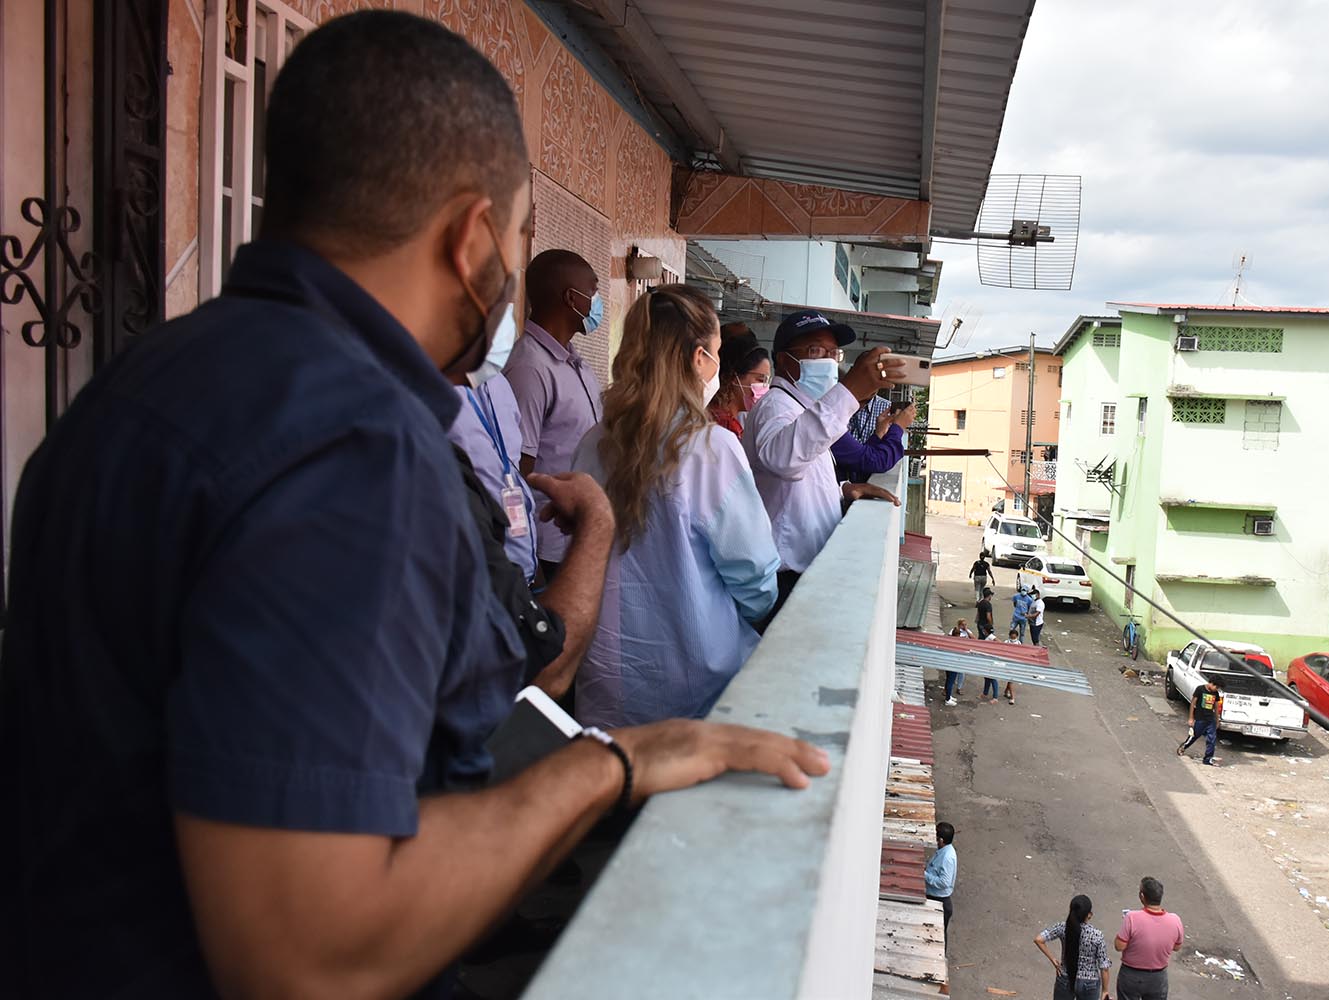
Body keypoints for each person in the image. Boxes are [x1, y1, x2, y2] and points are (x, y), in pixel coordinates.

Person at [0, 14, 831, 998]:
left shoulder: (141, 383)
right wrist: (612, 764)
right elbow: (311, 945)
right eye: (519, 236)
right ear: (473, 235)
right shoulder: (349, 444)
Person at [572, 285, 780, 727]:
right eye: (717, 351)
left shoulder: (595, 441)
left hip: (606, 677)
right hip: (696, 679)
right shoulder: (711, 449)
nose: (718, 366)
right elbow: (755, 577)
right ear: (697, 358)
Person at [742, 309, 898, 613]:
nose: (827, 360)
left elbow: (800, 474)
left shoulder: (804, 406)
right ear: (785, 360)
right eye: (815, 351)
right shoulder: (777, 406)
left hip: (801, 573)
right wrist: (850, 390)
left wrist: (841, 490)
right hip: (784, 579)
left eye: (833, 353)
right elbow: (783, 460)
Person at [505, 247, 605, 581]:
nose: (597, 301)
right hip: (547, 545)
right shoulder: (529, 367)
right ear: (570, 298)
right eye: (592, 291)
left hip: (577, 534)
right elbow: (517, 466)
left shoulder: (574, 364)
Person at [449, 368, 539, 584]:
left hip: (521, 572)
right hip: (474, 576)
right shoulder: (433, 386)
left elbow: (512, 465)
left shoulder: (500, 384)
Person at [1114, 877, 1184, 1000]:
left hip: (1131, 975)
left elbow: (1119, 946)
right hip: (1158, 977)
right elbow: (1177, 947)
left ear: (1142, 896)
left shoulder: (1131, 918)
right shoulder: (1175, 920)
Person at [1035, 894, 1113, 1000]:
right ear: (1089, 915)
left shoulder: (1063, 928)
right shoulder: (1097, 935)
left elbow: (1039, 939)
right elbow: (1104, 967)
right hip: (1089, 983)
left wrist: (1053, 960)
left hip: (1065, 977)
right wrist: (1105, 991)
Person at [705, 331, 771, 438]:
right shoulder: (724, 426)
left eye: (767, 381)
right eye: (760, 380)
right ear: (735, 378)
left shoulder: (729, 421)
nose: (765, 388)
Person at [832, 399, 913, 484]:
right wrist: (898, 427)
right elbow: (877, 461)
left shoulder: (830, 421)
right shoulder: (829, 424)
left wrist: (879, 434)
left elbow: (860, 459)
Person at [1177, 675, 1223, 766]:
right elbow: (1193, 703)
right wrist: (1191, 717)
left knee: (1212, 740)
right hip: (1200, 719)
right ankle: (1183, 747)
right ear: (1211, 683)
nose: (1216, 689)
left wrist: (1217, 720)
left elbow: (1216, 707)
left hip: (1210, 720)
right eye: (1216, 687)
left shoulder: (1215, 693)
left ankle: (1207, 759)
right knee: (1194, 736)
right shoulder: (1200, 689)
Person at [924, 821, 957, 932]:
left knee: (937, 934)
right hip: (935, 897)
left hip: (939, 900)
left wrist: (925, 876)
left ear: (941, 840)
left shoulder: (947, 858)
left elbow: (944, 882)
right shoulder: (943, 851)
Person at [943, 620, 971, 706]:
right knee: (950, 681)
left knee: (949, 680)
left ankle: (949, 696)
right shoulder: (954, 644)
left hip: (949, 663)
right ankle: (947, 700)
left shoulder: (950, 642)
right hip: (952, 664)